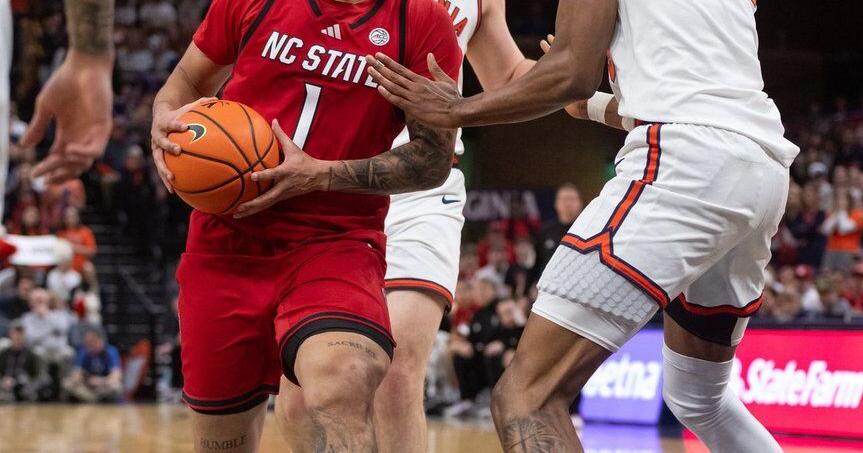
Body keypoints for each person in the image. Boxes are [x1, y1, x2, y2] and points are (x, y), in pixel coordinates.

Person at [368, 0, 798, 451]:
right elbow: (676, 88)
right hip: (763, 165)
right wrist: (587, 102)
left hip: (685, 162)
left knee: (526, 397)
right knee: (699, 398)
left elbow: (570, 72)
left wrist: (455, 110)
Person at [148, 0, 461, 450]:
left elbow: (432, 162)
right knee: (221, 441)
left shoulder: (422, 21)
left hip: (336, 242)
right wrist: (163, 114)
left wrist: (321, 173)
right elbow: (187, 80)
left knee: (344, 380)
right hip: (227, 241)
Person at [64, 327, 122, 403]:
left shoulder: (111, 351)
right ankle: (93, 399)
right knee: (67, 383)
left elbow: (116, 375)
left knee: (116, 387)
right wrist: (86, 380)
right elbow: (76, 374)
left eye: (91, 342)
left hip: (103, 385)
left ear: (100, 341)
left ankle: (94, 399)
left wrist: (100, 381)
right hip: (87, 386)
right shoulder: (83, 351)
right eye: (87, 342)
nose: (88, 345)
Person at [535, 183, 582, 273]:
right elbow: (537, 264)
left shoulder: (588, 230)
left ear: (580, 203)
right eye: (564, 199)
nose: (568, 204)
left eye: (572, 199)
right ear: (556, 203)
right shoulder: (545, 231)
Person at [0, 320, 43, 402]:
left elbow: (39, 376)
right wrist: (3, 380)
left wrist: (23, 382)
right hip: (5, 385)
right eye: (15, 333)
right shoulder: (4, 353)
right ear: (10, 334)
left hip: (24, 387)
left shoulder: (32, 355)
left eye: (20, 333)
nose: (18, 337)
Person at [56, 206, 97, 273]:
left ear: (78, 217)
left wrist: (72, 247)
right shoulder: (60, 233)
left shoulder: (85, 231)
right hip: (65, 266)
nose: (70, 219)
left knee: (89, 268)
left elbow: (92, 251)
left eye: (72, 216)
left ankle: (94, 284)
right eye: (67, 216)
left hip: (81, 265)